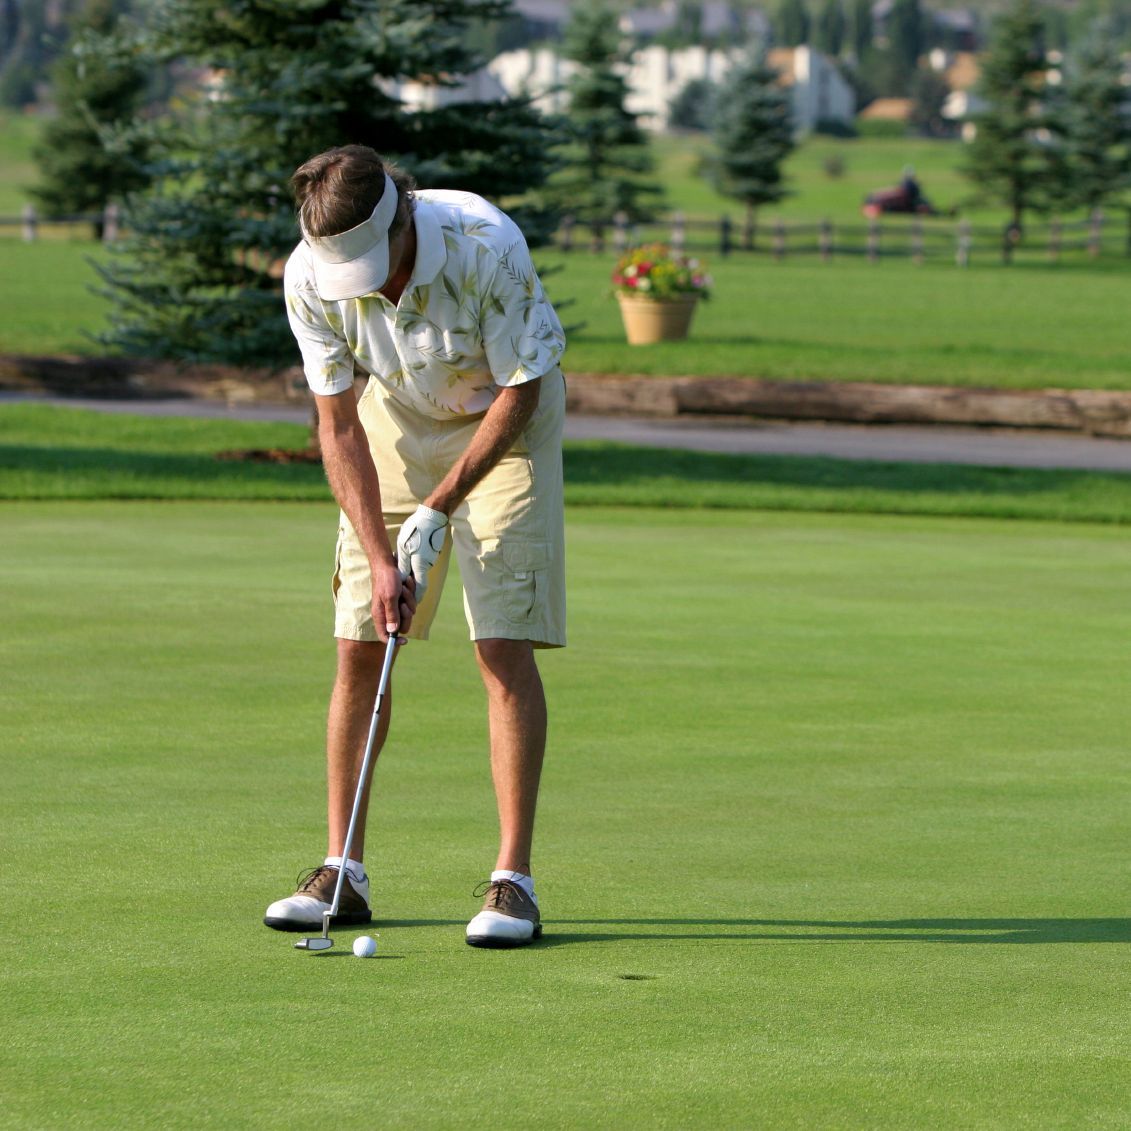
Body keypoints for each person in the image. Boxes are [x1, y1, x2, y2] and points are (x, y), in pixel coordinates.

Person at [264, 145, 567, 948]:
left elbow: (524, 386)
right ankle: (342, 870)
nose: (368, 285)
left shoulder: (483, 242)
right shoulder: (310, 275)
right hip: (395, 420)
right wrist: (378, 553)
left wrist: (439, 507)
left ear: (401, 215)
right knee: (360, 641)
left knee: (500, 642)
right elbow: (337, 424)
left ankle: (513, 881)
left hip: (504, 421)